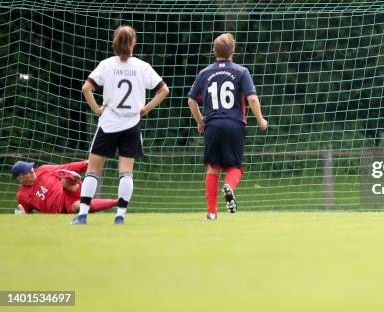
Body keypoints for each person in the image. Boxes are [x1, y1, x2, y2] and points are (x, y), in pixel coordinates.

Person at [72, 25, 170, 225]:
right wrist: (146, 109)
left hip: (108, 123)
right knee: (126, 172)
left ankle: (82, 215)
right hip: (131, 124)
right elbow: (163, 90)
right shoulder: (142, 66)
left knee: (93, 170)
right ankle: (120, 216)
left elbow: (86, 87)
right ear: (134, 43)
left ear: (114, 43)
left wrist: (96, 109)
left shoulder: (107, 65)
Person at [187, 33, 268, 221]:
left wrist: (200, 121)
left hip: (212, 125)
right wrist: (261, 119)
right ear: (233, 50)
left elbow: (191, 100)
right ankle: (229, 185)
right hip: (234, 124)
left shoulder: (205, 73)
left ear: (214, 51)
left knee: (213, 168)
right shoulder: (241, 72)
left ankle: (211, 212)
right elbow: (252, 98)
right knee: (235, 167)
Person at [12, 160, 117, 214]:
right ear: (20, 177)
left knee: (64, 180)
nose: (32, 170)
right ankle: (117, 202)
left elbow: (67, 166)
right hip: (63, 207)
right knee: (78, 206)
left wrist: (86, 164)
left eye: (31, 168)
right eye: (28, 171)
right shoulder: (22, 195)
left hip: (68, 191)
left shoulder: (44, 169)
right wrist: (22, 214)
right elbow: (27, 212)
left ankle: (72, 178)